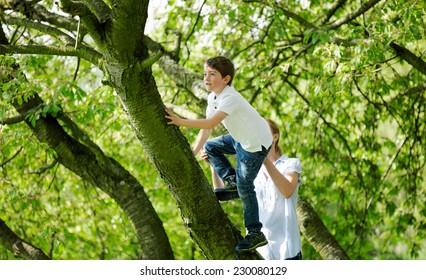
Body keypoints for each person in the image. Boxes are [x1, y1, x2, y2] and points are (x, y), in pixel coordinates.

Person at [165, 56, 273, 253]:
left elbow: (209, 124)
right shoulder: (213, 97)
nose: (207, 78)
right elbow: (206, 132)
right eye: (205, 73)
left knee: (245, 186)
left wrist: (180, 121)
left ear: (226, 79)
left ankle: (255, 232)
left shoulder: (230, 98)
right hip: (241, 140)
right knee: (211, 147)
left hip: (255, 145)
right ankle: (231, 182)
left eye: (212, 74)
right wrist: (193, 153)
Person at [202, 119, 303, 260]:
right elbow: (223, 195)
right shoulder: (249, 170)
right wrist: (214, 166)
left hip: (287, 248)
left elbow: (287, 191)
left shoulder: (290, 164)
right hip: (261, 250)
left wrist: (264, 159)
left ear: (275, 136)